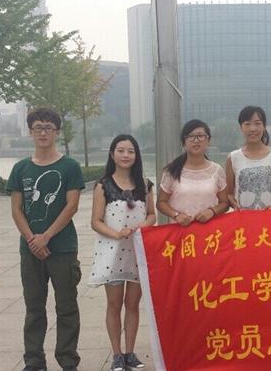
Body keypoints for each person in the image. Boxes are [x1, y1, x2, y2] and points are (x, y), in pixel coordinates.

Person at [7, 108, 84, 371]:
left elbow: (72, 206)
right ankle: (34, 361)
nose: (43, 132)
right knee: (34, 308)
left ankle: (68, 360)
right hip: (30, 250)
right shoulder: (20, 168)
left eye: (48, 127)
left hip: (63, 249)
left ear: (57, 132)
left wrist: (47, 237)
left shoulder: (70, 166)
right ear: (30, 131)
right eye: (38, 127)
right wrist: (32, 239)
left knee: (67, 307)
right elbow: (16, 209)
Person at [89, 135, 156, 371]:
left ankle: (130, 353)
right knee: (114, 304)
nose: (126, 155)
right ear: (112, 154)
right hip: (112, 252)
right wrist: (116, 234)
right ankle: (117, 354)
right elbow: (96, 221)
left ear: (136, 155)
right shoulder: (103, 185)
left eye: (131, 151)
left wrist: (140, 228)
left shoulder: (145, 185)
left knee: (133, 303)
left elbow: (151, 215)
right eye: (121, 150)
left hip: (137, 253)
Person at [157, 119, 228, 225]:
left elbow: (225, 203)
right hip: (180, 230)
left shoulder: (217, 170)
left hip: (210, 231)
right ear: (184, 143)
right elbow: (161, 202)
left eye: (201, 136)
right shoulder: (172, 170)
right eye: (191, 136)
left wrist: (212, 211)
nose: (196, 140)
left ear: (208, 140)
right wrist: (176, 215)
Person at [226, 106, 271, 210]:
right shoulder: (233, 158)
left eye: (257, 123)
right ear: (241, 127)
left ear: (264, 126)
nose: (252, 129)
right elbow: (229, 194)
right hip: (243, 217)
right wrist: (236, 206)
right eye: (247, 124)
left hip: (270, 217)